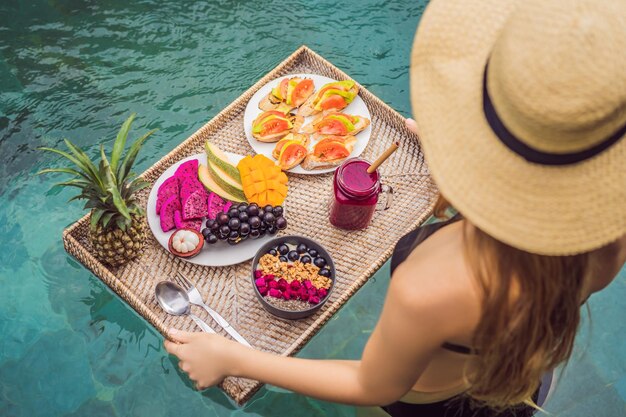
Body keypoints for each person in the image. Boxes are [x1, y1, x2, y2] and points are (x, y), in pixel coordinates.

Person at [164, 0, 626, 415]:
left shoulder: (433, 283)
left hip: (425, 405)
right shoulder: (609, 234)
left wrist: (234, 358)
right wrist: (458, 160)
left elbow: (371, 384)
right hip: (519, 380)